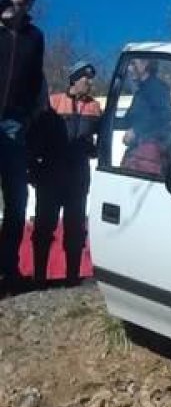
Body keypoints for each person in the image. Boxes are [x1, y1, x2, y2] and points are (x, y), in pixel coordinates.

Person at [29, 61, 103, 287]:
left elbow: (101, 140)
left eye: (91, 78)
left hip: (78, 178)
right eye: (85, 78)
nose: (90, 83)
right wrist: (32, 168)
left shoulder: (95, 107)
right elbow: (35, 137)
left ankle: (72, 279)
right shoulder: (53, 102)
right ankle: (39, 278)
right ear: (74, 79)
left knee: (75, 228)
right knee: (44, 226)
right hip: (50, 176)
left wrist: (94, 150)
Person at [0, 0, 47, 289]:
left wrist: (29, 116)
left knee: (17, 200)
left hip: (15, 124)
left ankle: (9, 269)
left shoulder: (34, 37)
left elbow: (35, 81)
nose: (9, 1)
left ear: (27, 3)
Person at [120, 57, 171, 176]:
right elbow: (128, 120)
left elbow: (166, 114)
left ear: (145, 64)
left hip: (150, 156)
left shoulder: (157, 87)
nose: (129, 69)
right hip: (139, 153)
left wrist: (136, 130)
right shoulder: (140, 91)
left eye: (133, 63)